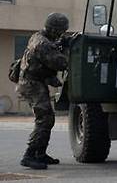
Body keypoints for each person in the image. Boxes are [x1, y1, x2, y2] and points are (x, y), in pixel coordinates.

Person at [16, 13, 71, 170]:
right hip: (31, 84)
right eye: (60, 31)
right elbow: (61, 63)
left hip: (34, 81)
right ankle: (29, 155)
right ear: (53, 29)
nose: (61, 34)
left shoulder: (38, 37)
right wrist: (66, 48)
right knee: (45, 118)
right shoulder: (43, 44)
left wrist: (60, 43)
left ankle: (40, 154)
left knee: (48, 118)